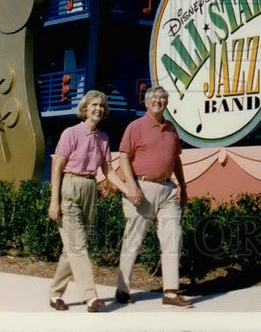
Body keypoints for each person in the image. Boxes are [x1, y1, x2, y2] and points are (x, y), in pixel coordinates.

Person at [48, 90, 135, 313]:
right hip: (70, 186)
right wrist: (54, 200)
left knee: (73, 247)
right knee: (78, 246)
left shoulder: (103, 138)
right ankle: (90, 296)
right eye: (94, 105)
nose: (98, 108)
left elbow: (107, 170)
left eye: (101, 106)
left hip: (90, 188)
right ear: (85, 108)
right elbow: (57, 166)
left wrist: (127, 190)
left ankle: (55, 293)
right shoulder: (70, 133)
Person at [115, 85, 193, 308]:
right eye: (155, 98)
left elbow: (175, 159)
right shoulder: (135, 127)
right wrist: (132, 187)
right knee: (134, 240)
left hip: (168, 190)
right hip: (143, 188)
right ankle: (122, 289)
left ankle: (170, 292)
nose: (159, 101)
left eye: (163, 98)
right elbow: (123, 158)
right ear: (147, 102)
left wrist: (183, 187)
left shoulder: (171, 129)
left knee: (173, 239)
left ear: (167, 102)